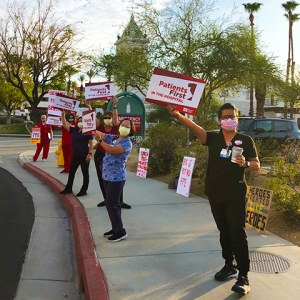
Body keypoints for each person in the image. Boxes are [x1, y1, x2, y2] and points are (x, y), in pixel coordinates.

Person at [166, 103, 260, 295]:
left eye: (232, 116)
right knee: (224, 231)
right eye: (225, 117)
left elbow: (256, 165)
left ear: (237, 119)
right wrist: (178, 114)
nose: (229, 120)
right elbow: (194, 127)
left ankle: (243, 275)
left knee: (237, 233)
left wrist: (245, 164)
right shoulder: (213, 138)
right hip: (216, 194)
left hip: (235, 194)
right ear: (219, 120)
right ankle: (229, 265)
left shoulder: (245, 140)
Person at [94, 118, 136, 242]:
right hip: (107, 176)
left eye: (127, 126)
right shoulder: (113, 138)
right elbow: (99, 133)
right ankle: (115, 227)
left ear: (130, 130)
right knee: (114, 205)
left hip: (117, 178)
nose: (124, 127)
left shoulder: (127, 143)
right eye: (122, 124)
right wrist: (90, 125)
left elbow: (111, 150)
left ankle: (120, 231)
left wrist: (100, 141)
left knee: (111, 204)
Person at [85, 99, 132, 209]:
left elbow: (116, 118)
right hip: (101, 154)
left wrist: (115, 105)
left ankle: (119, 201)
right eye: (105, 117)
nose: (107, 119)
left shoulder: (117, 129)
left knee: (117, 179)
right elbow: (93, 122)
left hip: (115, 156)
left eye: (108, 117)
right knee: (103, 178)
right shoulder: (101, 127)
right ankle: (107, 199)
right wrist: (89, 107)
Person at [60, 112, 94, 197]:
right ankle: (68, 188)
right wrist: (63, 115)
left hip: (84, 155)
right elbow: (64, 124)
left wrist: (89, 154)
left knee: (85, 173)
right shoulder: (74, 130)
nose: (80, 122)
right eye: (79, 121)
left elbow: (91, 143)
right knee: (71, 172)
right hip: (75, 155)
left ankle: (84, 190)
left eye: (82, 121)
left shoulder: (87, 132)